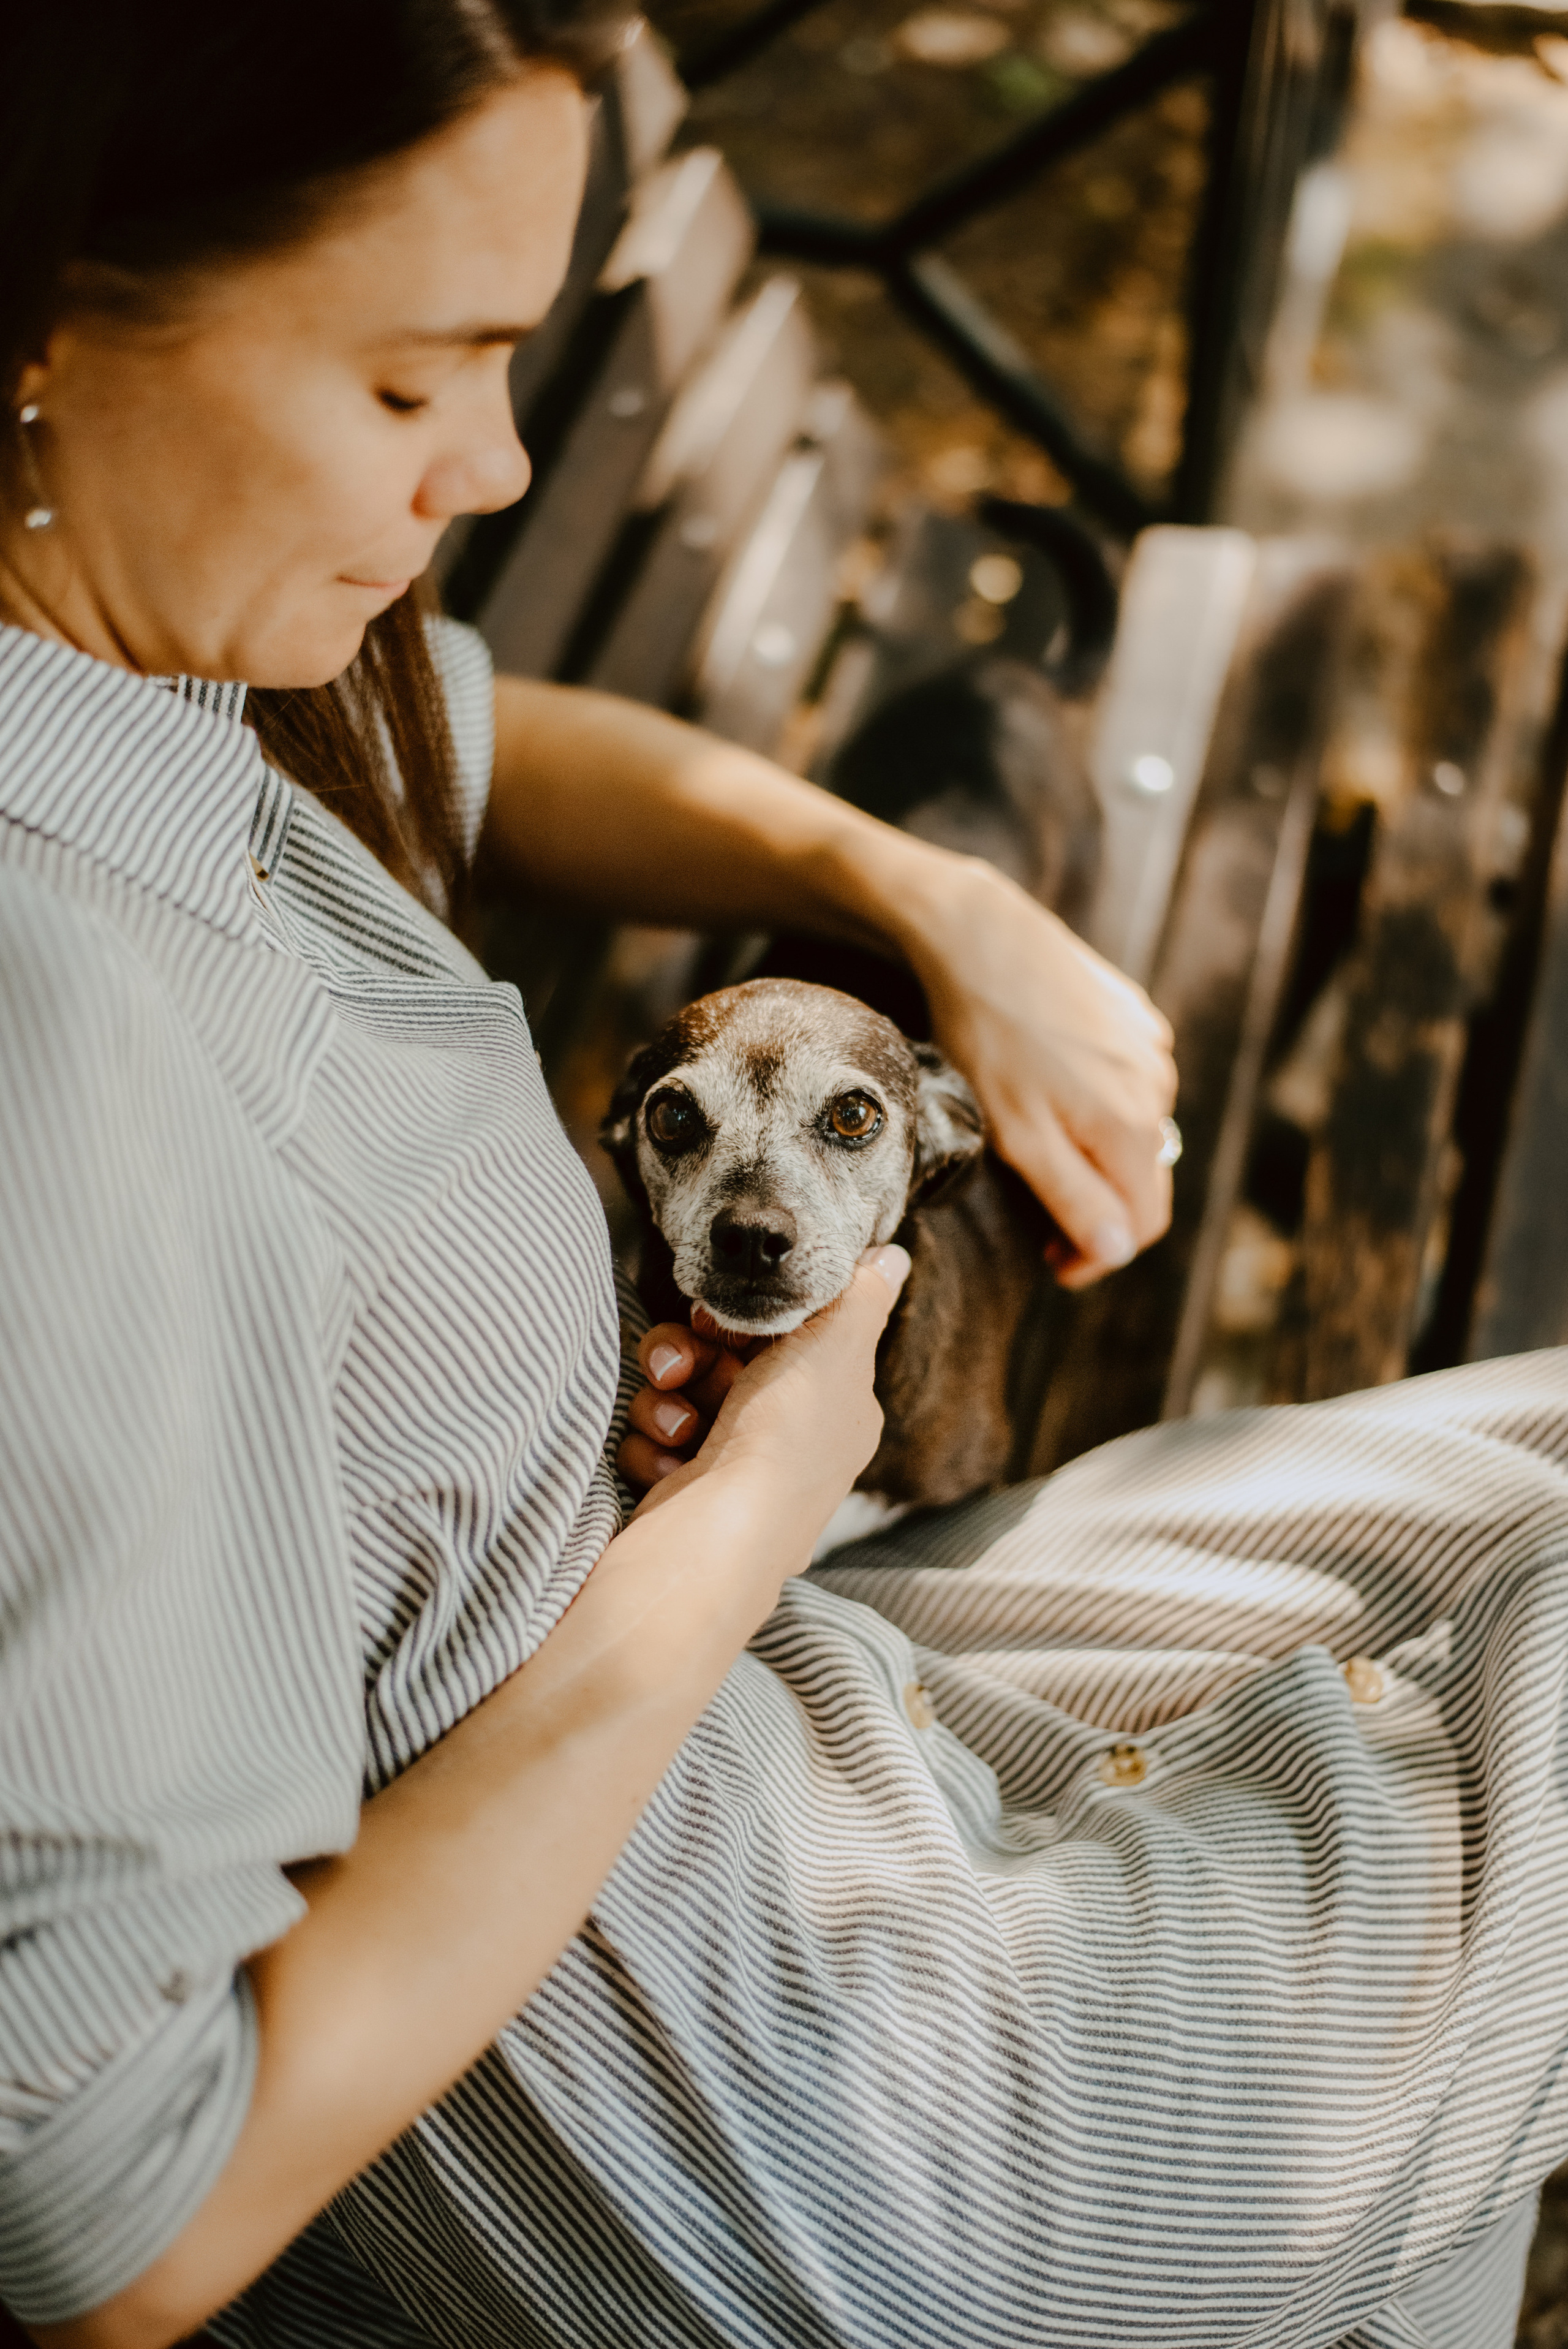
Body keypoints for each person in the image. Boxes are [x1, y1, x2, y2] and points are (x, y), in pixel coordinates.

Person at [0, 7, 1562, 2347]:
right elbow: (111, 2209)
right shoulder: (61, 1029)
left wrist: (936, 903)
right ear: (43, 322)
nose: (502, 469)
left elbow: (472, 738)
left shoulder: (153, 638)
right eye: (416, 384)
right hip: (832, 2115)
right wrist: (747, 1511)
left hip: (798, 1722)